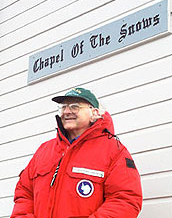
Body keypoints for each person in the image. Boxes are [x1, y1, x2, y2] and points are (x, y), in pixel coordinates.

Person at [11, 87, 142, 218]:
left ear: (94, 113)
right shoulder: (44, 150)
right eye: (63, 107)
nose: (66, 112)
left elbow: (126, 200)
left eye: (75, 107)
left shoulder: (114, 151)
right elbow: (24, 192)